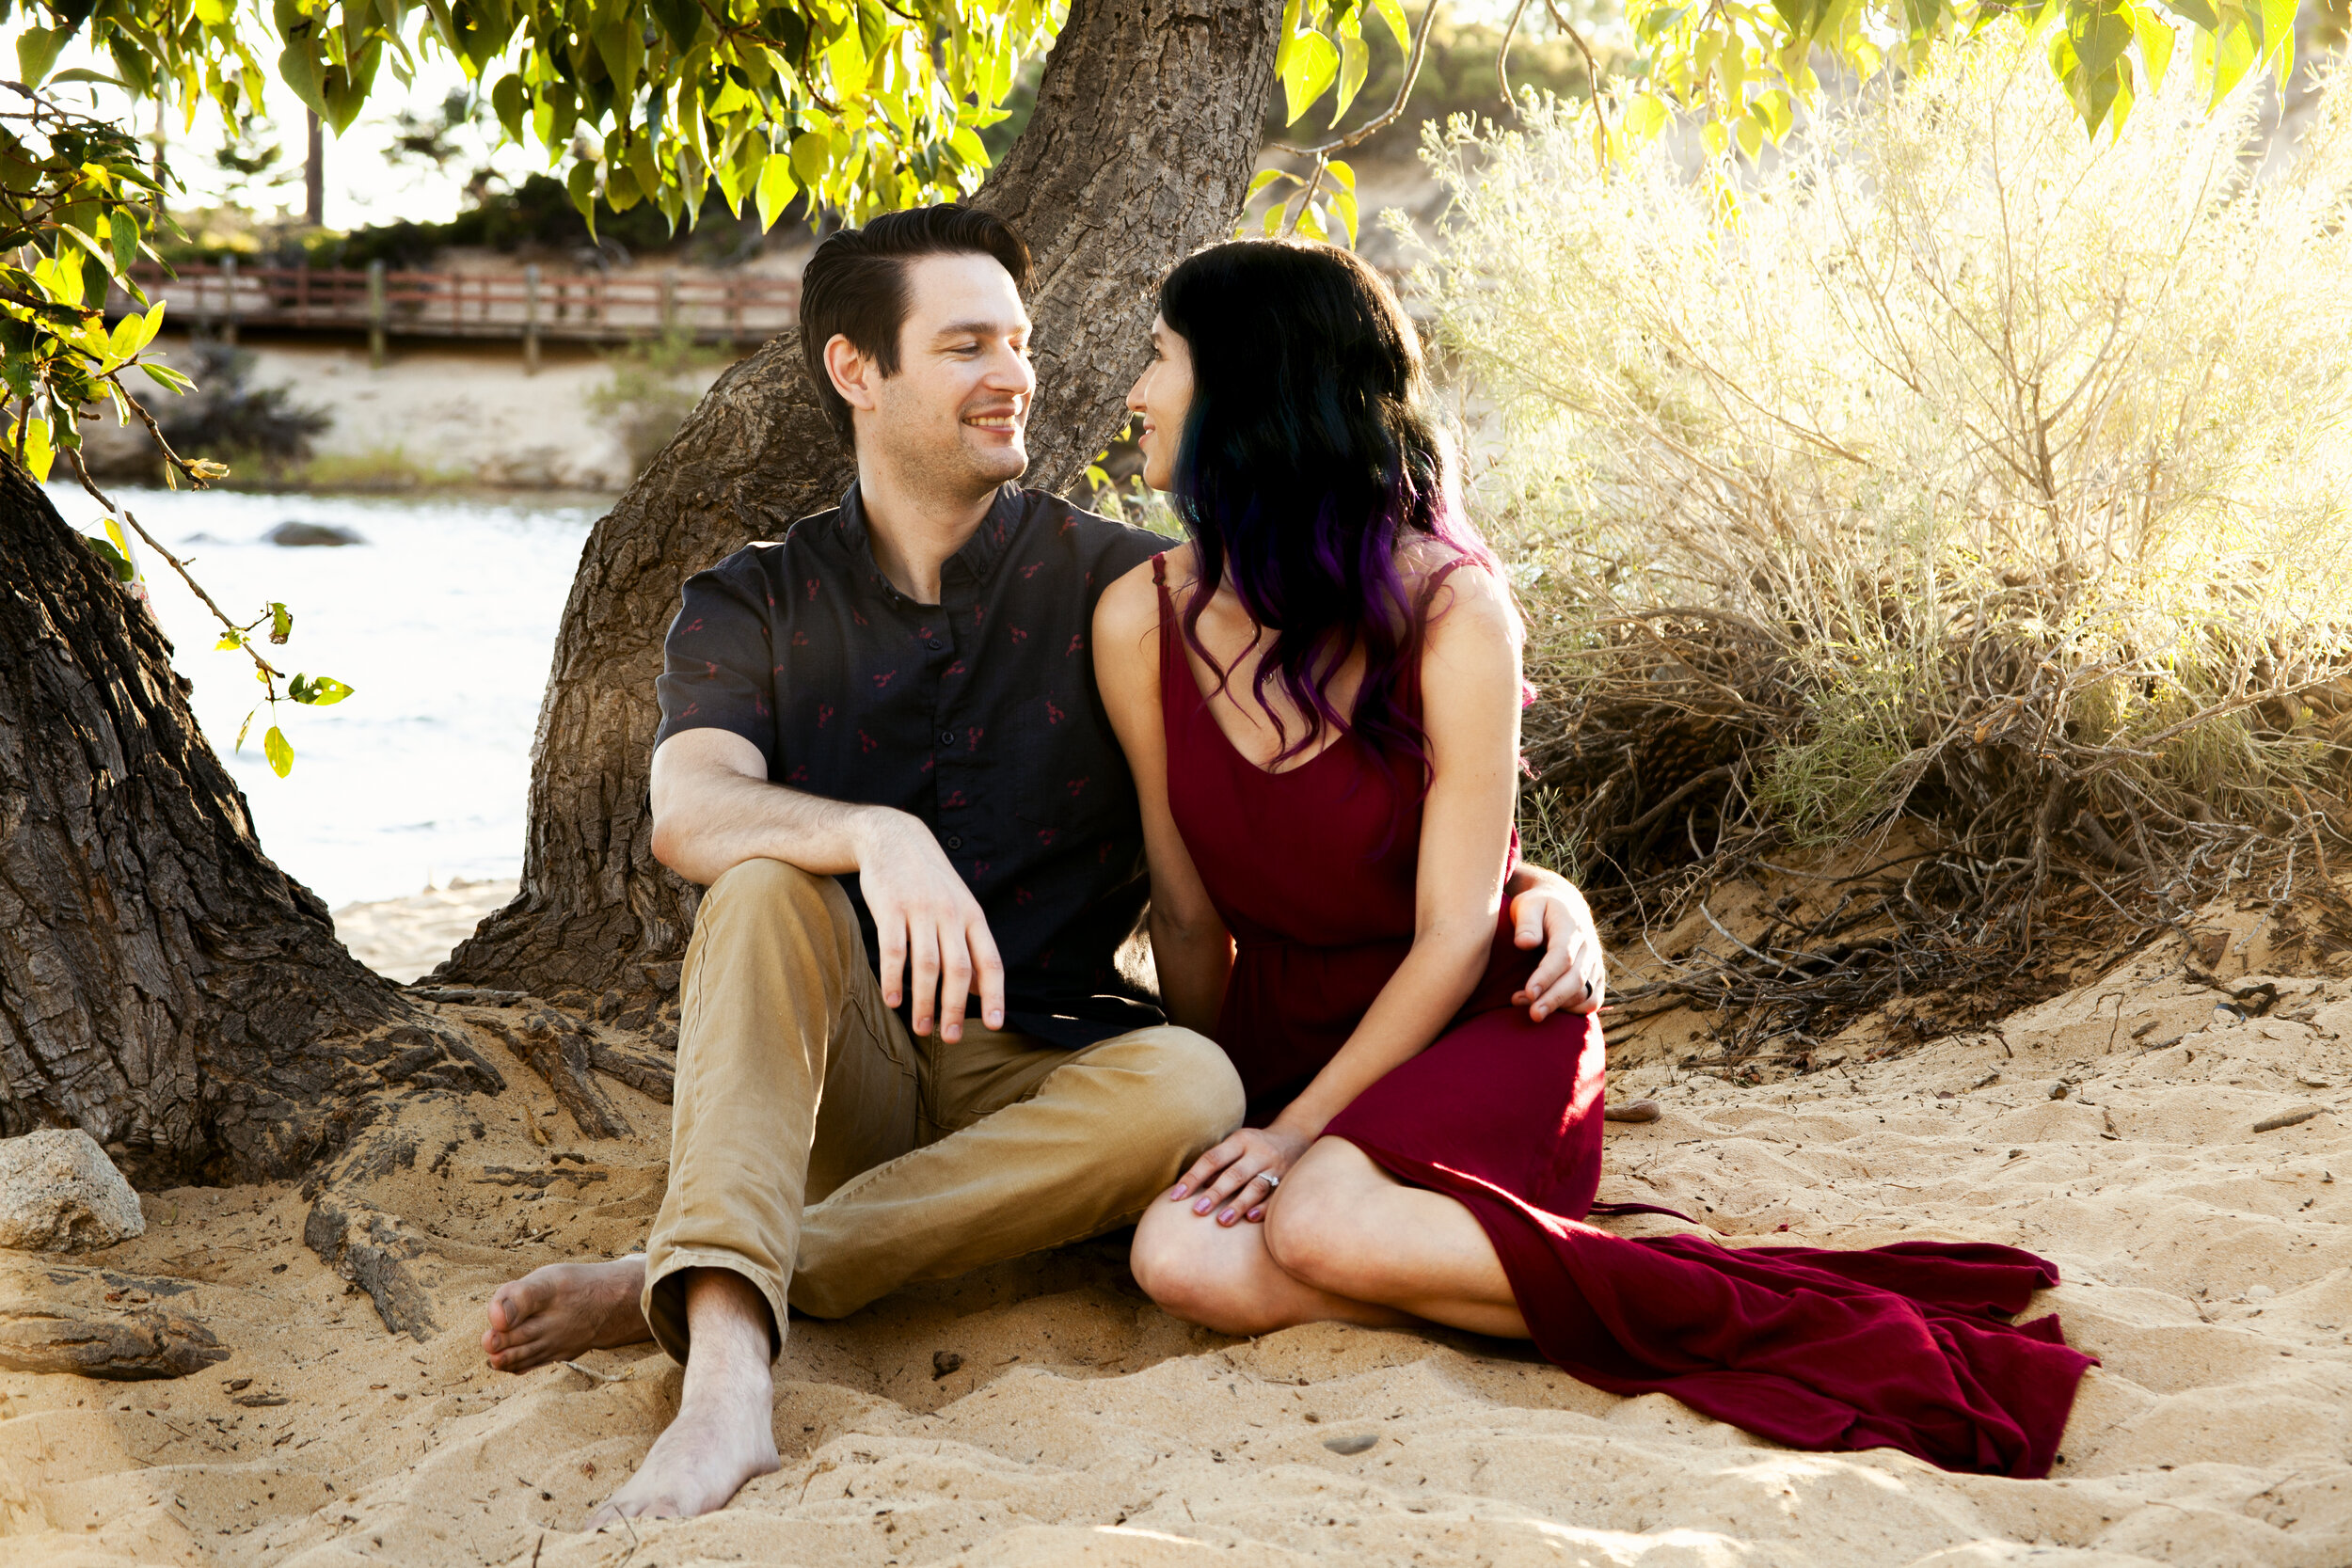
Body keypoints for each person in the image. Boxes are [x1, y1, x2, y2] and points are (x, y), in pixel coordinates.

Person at [475, 205, 1608, 1527]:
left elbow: (1334, 770)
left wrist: (1536, 892)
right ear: (858, 371)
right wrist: (870, 834)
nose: (1015, 373)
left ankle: (702, 1271)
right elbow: (690, 809)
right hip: (846, 1071)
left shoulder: (1131, 591)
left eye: (1017, 340)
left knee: (1194, 1080)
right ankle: (725, 1368)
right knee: (767, 881)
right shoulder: (755, 599)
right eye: (966, 346)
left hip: (1050, 1071)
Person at [1093, 237, 2097, 1478]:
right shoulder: (1137, 616)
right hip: (1287, 1032)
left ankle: (1735, 1318)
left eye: (1162, 358)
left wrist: (1296, 1139)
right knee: (1178, 1257)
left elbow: (1458, 929)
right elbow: (1189, 924)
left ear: (1253, 391)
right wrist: (1240, 1113)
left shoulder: (1454, 610)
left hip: (1473, 1025)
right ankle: (1534, 1285)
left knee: (1321, 1221)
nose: (1136, 391)